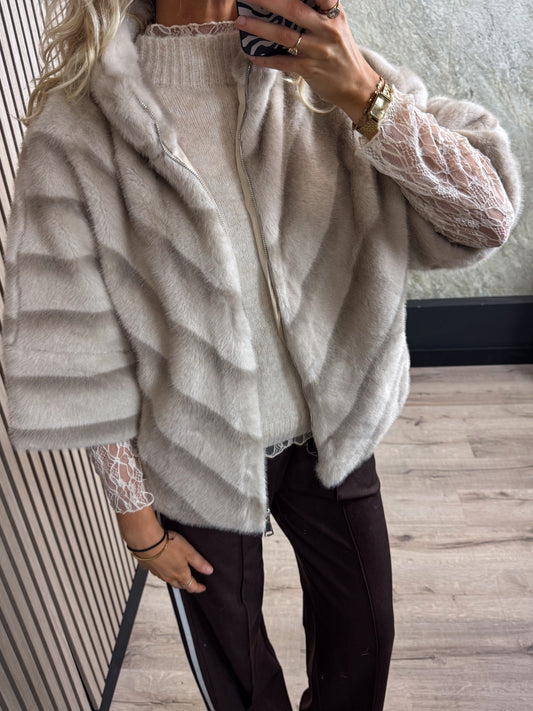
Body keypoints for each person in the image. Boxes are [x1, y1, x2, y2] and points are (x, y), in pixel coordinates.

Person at [3, 0, 521, 709]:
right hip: (193, 455)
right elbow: (80, 343)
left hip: (331, 437)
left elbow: (485, 218)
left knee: (365, 644)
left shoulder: (318, 70)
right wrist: (140, 526)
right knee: (239, 681)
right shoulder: (82, 120)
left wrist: (365, 96)